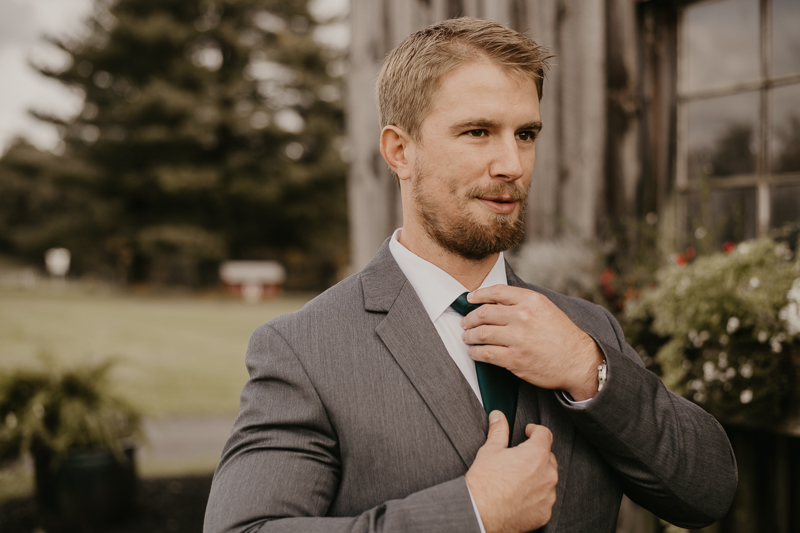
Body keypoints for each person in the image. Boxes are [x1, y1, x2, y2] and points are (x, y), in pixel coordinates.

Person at [204, 17, 737, 533]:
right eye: (478, 132)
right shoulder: (305, 350)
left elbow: (706, 493)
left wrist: (586, 367)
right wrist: (471, 515)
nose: (512, 164)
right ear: (400, 151)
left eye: (525, 134)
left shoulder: (587, 329)